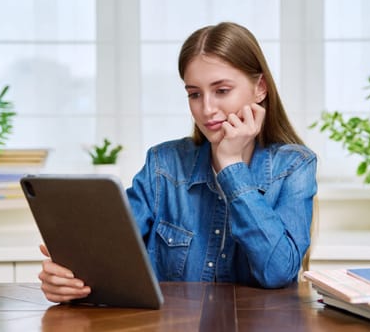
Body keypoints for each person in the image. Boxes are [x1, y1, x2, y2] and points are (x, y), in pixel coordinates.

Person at [39, 22, 317, 303]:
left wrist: (231, 166)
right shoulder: (162, 166)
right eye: (194, 94)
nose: (206, 109)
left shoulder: (294, 167)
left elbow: (278, 272)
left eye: (221, 90)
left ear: (260, 88)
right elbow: (105, 261)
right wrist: (68, 280)